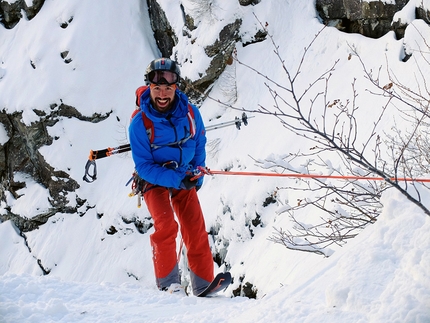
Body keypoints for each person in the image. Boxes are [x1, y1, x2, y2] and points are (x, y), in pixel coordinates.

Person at [128, 58, 214, 295]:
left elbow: (199, 142)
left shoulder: (190, 113)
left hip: (184, 173)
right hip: (154, 178)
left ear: (176, 87)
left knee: (195, 226)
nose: (163, 94)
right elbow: (144, 166)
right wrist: (177, 180)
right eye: (157, 88)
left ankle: (204, 284)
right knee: (166, 224)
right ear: (150, 88)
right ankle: (169, 284)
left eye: (168, 88)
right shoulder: (139, 123)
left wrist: (199, 171)